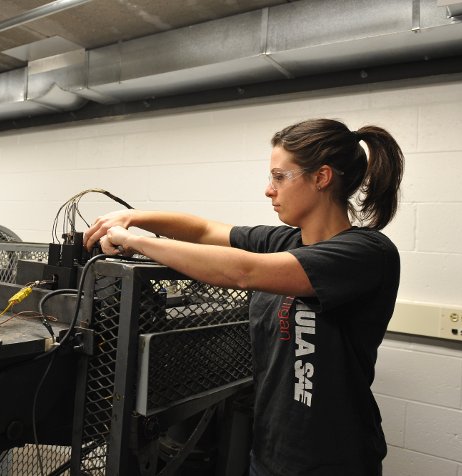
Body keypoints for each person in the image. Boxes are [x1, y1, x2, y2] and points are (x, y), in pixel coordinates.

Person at [83, 118, 404, 476]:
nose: (269, 190)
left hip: (334, 460)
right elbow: (204, 230)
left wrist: (134, 241)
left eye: (280, 177)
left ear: (321, 177)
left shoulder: (365, 253)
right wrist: (133, 217)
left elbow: (243, 272)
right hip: (269, 453)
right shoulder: (282, 240)